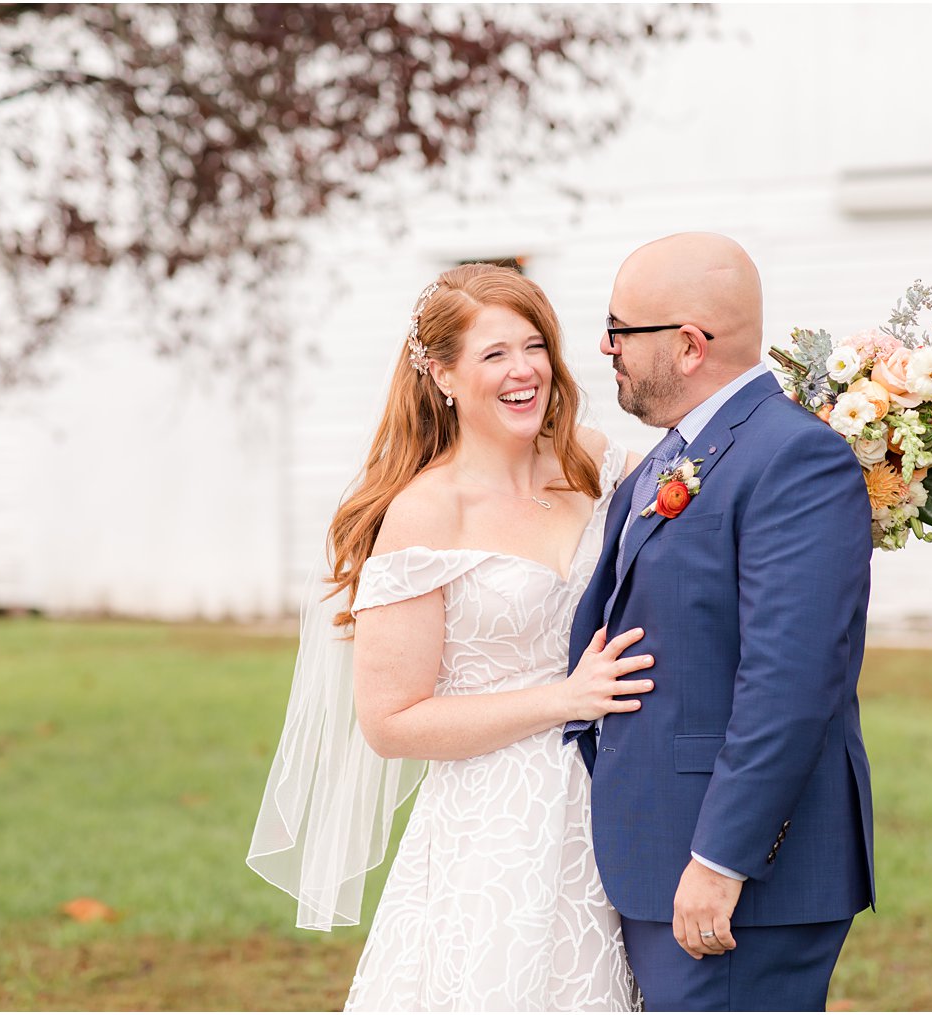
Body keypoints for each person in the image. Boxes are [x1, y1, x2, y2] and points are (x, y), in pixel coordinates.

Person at [247, 263, 654, 1011]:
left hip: (610, 806)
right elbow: (392, 720)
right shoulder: (423, 514)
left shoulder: (588, 460)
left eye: (534, 345)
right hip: (490, 828)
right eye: (494, 353)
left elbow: (706, 488)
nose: (524, 369)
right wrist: (564, 697)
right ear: (442, 374)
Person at [564, 233, 876, 1012]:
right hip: (658, 850)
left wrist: (721, 859)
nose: (605, 347)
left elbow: (793, 681)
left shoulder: (794, 458)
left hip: (735, 882)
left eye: (619, 328)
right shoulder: (679, 454)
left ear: (689, 344)